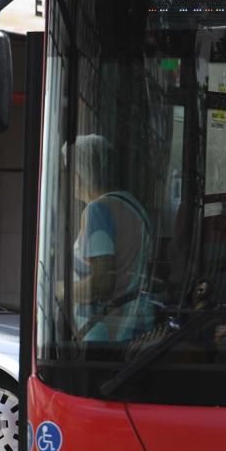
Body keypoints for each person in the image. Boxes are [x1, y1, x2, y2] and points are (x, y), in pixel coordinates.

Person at [66, 135, 155, 342]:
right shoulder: (133, 205)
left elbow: (102, 283)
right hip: (132, 323)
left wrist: (63, 291)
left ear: (78, 176)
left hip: (105, 331)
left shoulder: (97, 210)